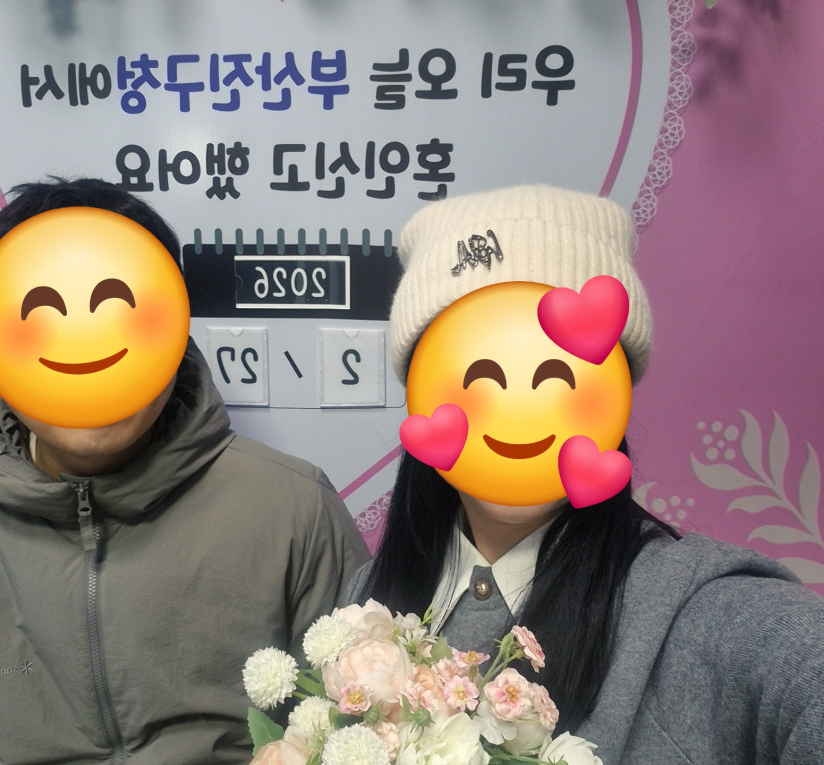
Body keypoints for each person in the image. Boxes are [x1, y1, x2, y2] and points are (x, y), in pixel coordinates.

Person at [0, 178, 369, 764]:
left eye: (117, 309)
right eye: (43, 311)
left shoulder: (294, 507)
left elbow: (367, 723)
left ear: (173, 326)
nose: (83, 345)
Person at [347, 185, 824, 763]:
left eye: (555, 376)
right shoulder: (366, 601)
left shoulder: (698, 612)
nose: (519, 409)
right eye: (482, 375)